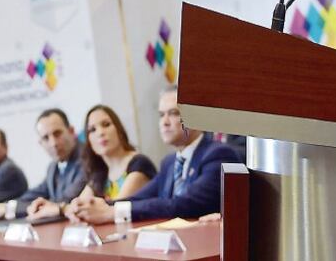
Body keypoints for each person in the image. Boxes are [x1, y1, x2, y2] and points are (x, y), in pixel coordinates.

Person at [69, 86, 239, 224]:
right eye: (161, 115)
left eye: (174, 113)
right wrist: (91, 207)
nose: (164, 122)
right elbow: (139, 198)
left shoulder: (219, 154)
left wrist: (112, 212)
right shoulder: (169, 162)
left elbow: (183, 204)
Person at [0, 108, 85, 222]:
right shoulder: (53, 167)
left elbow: (63, 202)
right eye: (46, 138)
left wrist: (8, 210)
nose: (53, 143)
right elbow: (34, 195)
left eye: (57, 134)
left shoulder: (88, 159)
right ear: (41, 143)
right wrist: (5, 206)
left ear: (71, 131)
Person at [57, 105, 155, 221]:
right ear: (89, 141)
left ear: (119, 130)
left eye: (106, 125)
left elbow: (115, 208)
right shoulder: (100, 171)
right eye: (92, 130)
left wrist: (64, 209)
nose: (100, 133)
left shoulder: (139, 164)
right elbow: (79, 206)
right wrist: (69, 208)